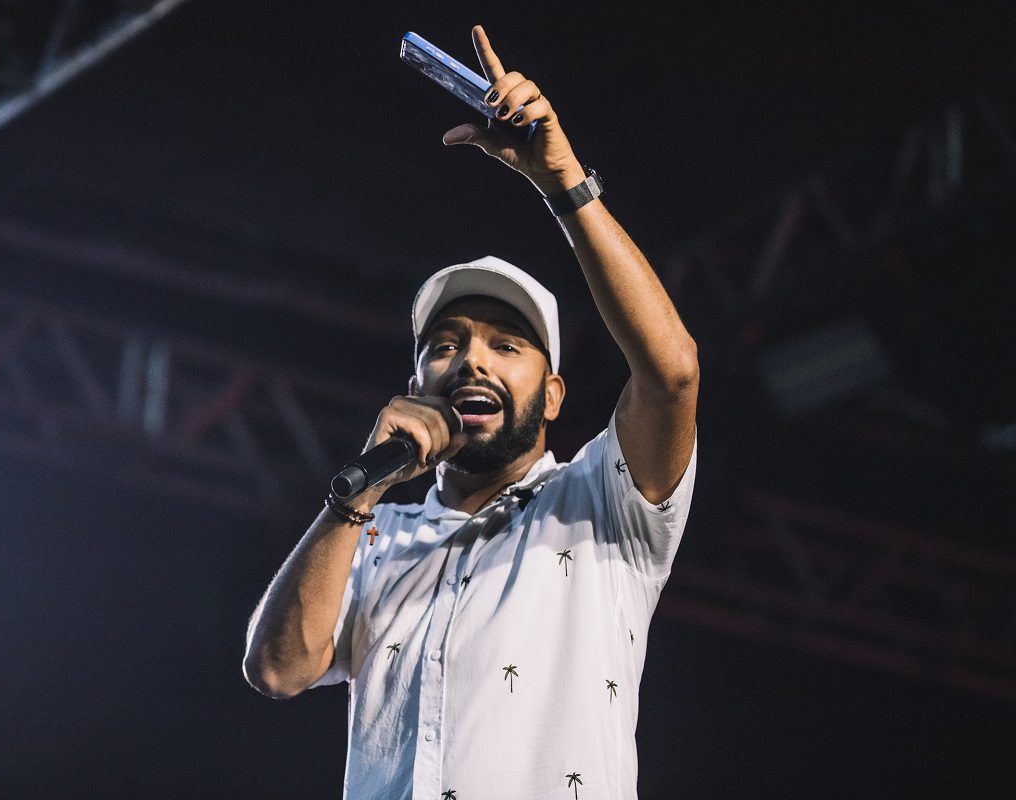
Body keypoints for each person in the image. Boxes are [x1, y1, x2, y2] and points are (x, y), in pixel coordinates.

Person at [243, 25, 699, 800]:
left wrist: (563, 182)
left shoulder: (602, 502)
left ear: (553, 393)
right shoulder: (374, 534)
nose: (472, 361)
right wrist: (350, 500)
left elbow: (672, 374)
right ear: (418, 381)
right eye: (446, 345)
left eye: (506, 345)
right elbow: (279, 670)